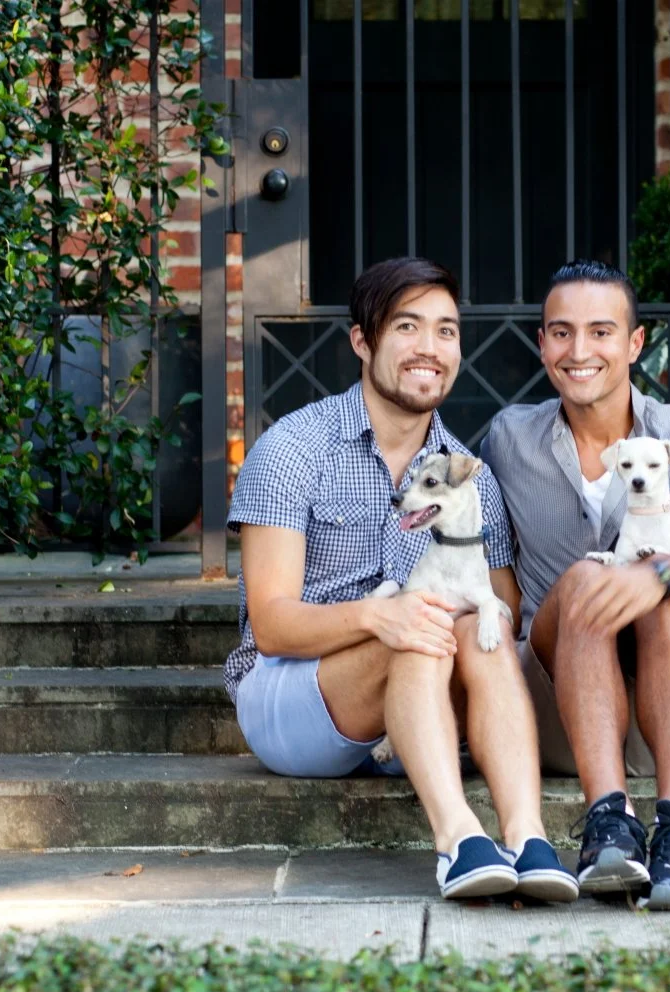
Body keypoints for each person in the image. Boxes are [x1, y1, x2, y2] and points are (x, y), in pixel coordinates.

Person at [225, 257, 578, 902]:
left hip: (422, 703)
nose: (430, 348)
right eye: (407, 326)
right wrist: (374, 615)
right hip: (295, 694)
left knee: (483, 623)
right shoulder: (293, 449)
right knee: (415, 628)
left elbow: (502, 605)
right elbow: (272, 627)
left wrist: (466, 613)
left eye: (446, 330)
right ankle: (458, 841)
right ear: (363, 341)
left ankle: (528, 836)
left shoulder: (469, 477)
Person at [481, 259, 670, 910]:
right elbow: (487, 565)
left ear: (636, 344)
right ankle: (609, 822)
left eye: (601, 332)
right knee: (590, 575)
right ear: (542, 343)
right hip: (563, 708)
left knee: (657, 584)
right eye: (560, 332)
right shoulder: (509, 439)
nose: (579, 351)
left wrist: (660, 578)